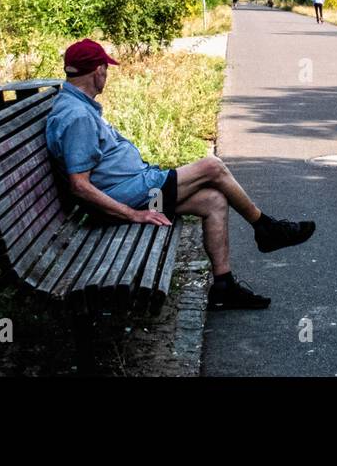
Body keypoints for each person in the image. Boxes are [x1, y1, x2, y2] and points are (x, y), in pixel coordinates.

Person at [45, 39, 316, 310]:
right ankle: (266, 228)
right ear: (98, 71)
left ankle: (224, 286)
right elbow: (79, 186)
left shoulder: (78, 106)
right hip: (129, 197)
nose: (107, 75)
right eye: (106, 69)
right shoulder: (77, 116)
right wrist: (133, 214)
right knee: (212, 166)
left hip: (136, 189)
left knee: (213, 200)